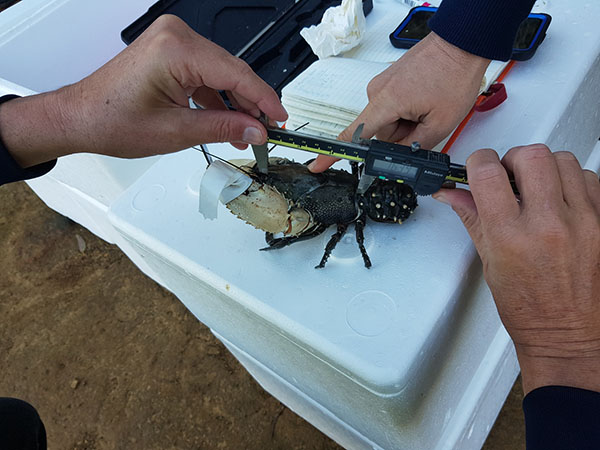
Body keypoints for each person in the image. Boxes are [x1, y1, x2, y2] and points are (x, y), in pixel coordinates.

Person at [0, 11, 598, 450]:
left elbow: (320, 223)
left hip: (371, 207)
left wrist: (567, 350)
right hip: (361, 195)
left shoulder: (341, 208)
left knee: (303, 217)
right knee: (295, 186)